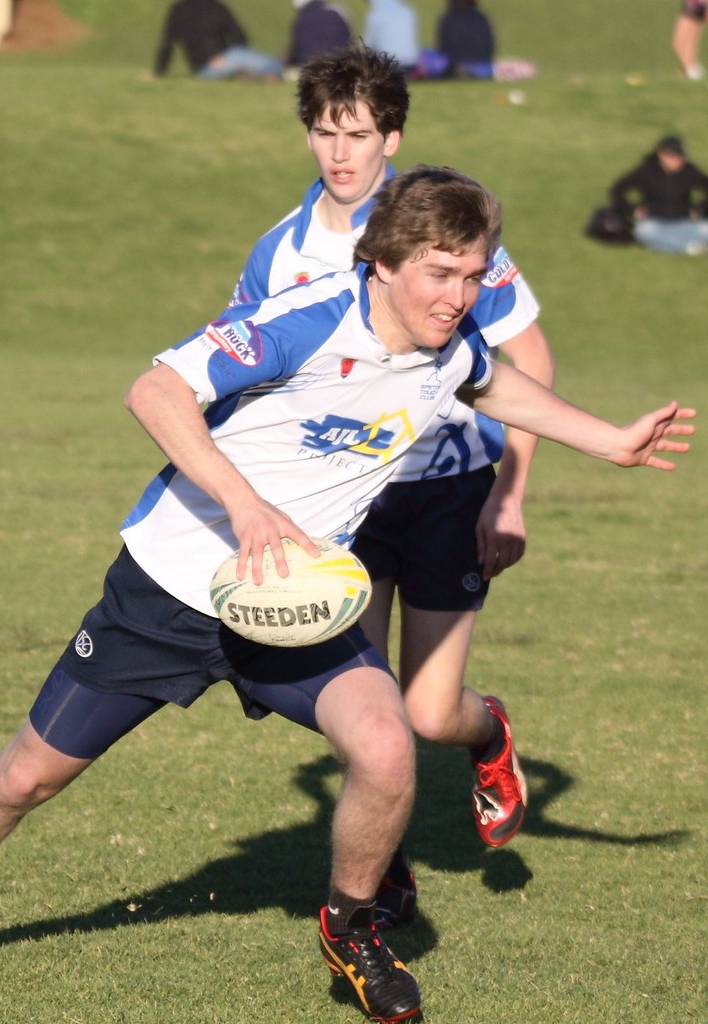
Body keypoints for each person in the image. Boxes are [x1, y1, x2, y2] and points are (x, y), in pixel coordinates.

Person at [0, 165, 693, 1024]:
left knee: (387, 747)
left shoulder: (445, 347)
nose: (458, 296)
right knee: (25, 779)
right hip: (168, 593)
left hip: (296, 607)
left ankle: (351, 929)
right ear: (382, 263)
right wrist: (245, 505)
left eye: (469, 275)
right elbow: (154, 391)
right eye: (437, 273)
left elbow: (498, 385)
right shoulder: (303, 322)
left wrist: (609, 440)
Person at [230, 44, 555, 927]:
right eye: (326, 133)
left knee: (431, 709)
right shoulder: (281, 252)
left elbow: (528, 355)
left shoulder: (440, 225)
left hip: (453, 489)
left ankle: (490, 737)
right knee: (368, 707)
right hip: (350, 506)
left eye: (360, 134)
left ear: (393, 135)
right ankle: (387, 879)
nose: (342, 153)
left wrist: (510, 492)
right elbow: (242, 376)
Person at [610, 136, 708, 255]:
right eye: (673, 157)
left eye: (681, 156)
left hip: (684, 222)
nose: (678, 160)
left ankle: (668, 244)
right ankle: (689, 247)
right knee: (642, 232)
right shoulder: (646, 171)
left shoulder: (689, 171)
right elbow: (617, 189)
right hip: (654, 223)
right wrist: (632, 210)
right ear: (661, 155)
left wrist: (700, 209)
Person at [152, 0, 283, 80]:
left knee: (239, 57)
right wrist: (220, 57)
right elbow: (241, 37)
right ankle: (272, 72)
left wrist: (159, 71)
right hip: (219, 64)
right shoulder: (217, 7)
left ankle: (245, 73)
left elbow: (167, 45)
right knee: (274, 65)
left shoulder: (177, 9)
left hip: (199, 70)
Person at [286, 0, 352, 71]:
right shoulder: (338, 11)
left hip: (307, 65)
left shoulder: (300, 20)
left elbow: (295, 49)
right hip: (338, 63)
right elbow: (350, 38)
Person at [362, 0, 420, 73]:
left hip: (388, 65)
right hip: (410, 64)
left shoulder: (375, 15)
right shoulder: (408, 12)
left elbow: (367, 47)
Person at [672, 0, 706, 80]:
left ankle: (692, 71)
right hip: (692, 5)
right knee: (682, 43)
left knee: (686, 42)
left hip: (697, 6)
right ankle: (692, 69)